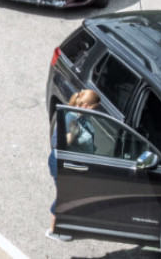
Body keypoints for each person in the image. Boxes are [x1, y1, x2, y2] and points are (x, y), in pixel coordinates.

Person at [46, 89, 100, 241]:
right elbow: (56, 143)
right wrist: (73, 134)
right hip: (62, 165)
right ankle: (53, 229)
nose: (96, 110)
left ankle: (69, 222)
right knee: (65, 196)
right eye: (94, 107)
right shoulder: (70, 117)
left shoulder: (83, 116)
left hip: (78, 164)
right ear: (84, 105)